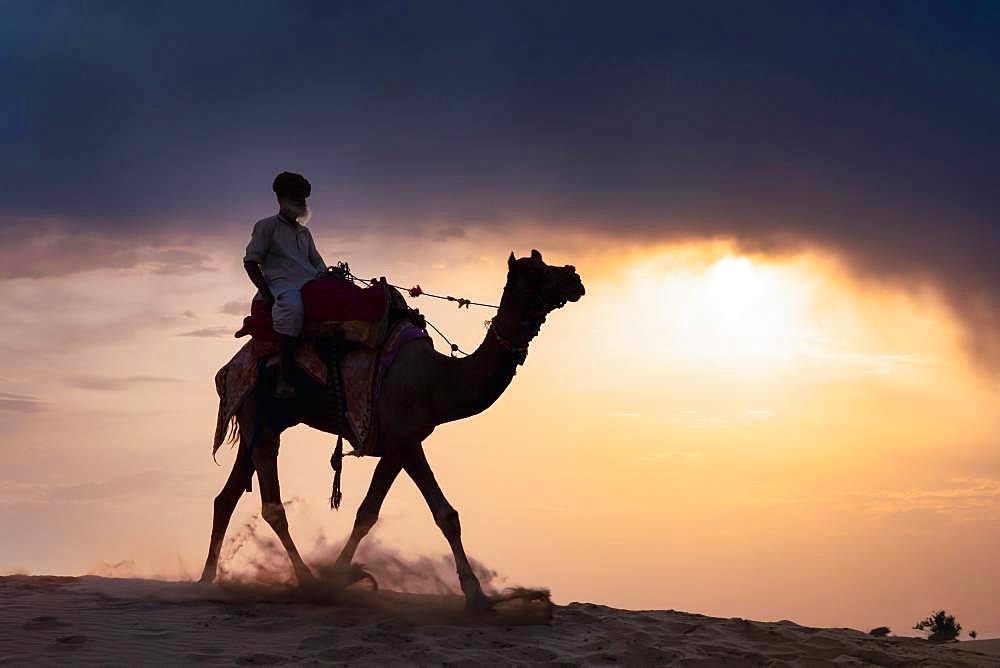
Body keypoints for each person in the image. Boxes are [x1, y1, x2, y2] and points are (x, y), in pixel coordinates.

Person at [243, 172, 327, 399]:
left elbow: (317, 262)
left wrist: (328, 275)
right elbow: (251, 261)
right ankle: (284, 378)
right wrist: (266, 292)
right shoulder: (266, 226)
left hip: (310, 281)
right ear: (282, 198)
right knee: (292, 309)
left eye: (304, 198)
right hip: (282, 286)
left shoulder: (305, 233)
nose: (303, 203)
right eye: (298, 197)